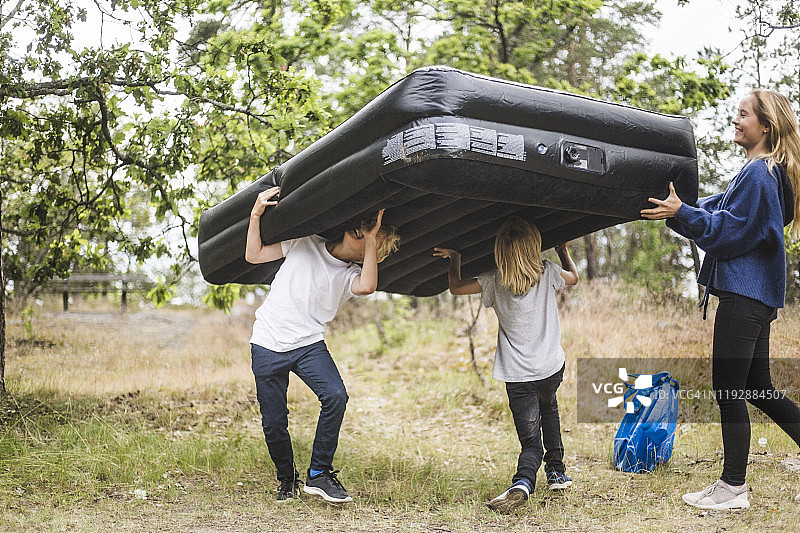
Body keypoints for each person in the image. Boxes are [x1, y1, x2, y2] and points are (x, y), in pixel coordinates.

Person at [641, 88, 800, 510]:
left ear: (765, 126)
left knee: (728, 390)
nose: (736, 120)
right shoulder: (763, 175)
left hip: (744, 298)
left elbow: (726, 232)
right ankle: (733, 485)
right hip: (757, 298)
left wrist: (684, 214)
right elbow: (709, 216)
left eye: (743, 115)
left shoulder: (759, 175)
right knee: (759, 388)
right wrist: (674, 209)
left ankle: (732, 488)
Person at [245, 186, 399, 503]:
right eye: (363, 229)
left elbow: (369, 286)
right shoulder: (306, 241)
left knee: (336, 396)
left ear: (368, 252)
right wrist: (255, 214)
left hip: (308, 345)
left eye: (369, 237)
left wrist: (372, 238)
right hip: (267, 341)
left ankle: (319, 474)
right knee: (274, 424)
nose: (363, 231)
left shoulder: (350, 274)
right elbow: (254, 255)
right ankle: (287, 480)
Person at [433, 216, 579, 513]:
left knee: (530, 441)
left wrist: (456, 259)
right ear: (534, 247)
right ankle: (557, 473)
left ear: (499, 251)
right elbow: (574, 278)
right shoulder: (548, 271)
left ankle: (523, 483)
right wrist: (563, 250)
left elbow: (455, 288)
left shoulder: (493, 280)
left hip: (518, 375)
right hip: (551, 368)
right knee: (549, 409)